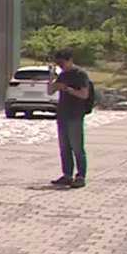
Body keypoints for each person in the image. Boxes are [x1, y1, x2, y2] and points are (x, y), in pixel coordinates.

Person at [48, 49, 92, 188]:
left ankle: (80, 176)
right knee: (64, 147)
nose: (61, 66)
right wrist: (52, 77)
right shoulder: (62, 75)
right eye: (58, 64)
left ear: (70, 60)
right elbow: (50, 91)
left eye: (62, 63)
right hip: (63, 114)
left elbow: (84, 94)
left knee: (77, 147)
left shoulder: (80, 74)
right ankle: (67, 174)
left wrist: (67, 89)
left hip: (75, 114)